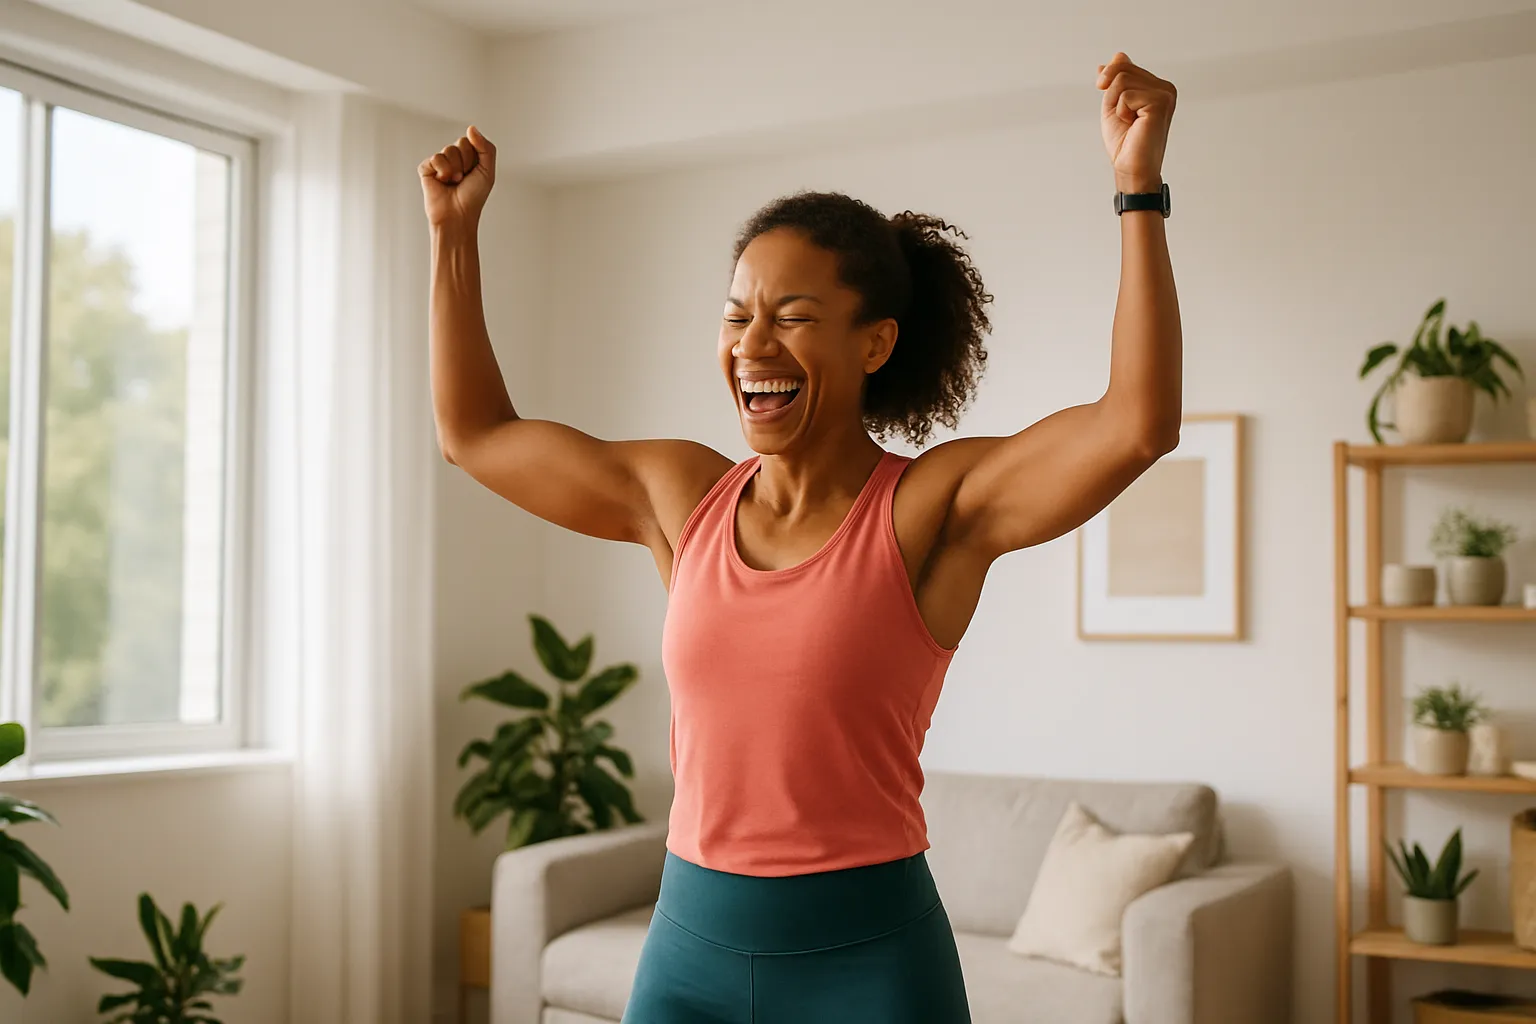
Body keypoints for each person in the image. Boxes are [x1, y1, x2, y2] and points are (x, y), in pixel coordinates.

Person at [421, 51, 1179, 1024]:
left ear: (874, 343)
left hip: (868, 968)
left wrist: (1137, 192)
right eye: (738, 315)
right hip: (688, 953)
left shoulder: (930, 510)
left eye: (793, 317)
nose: (752, 344)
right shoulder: (678, 495)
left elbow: (1137, 425)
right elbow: (475, 435)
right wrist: (453, 235)